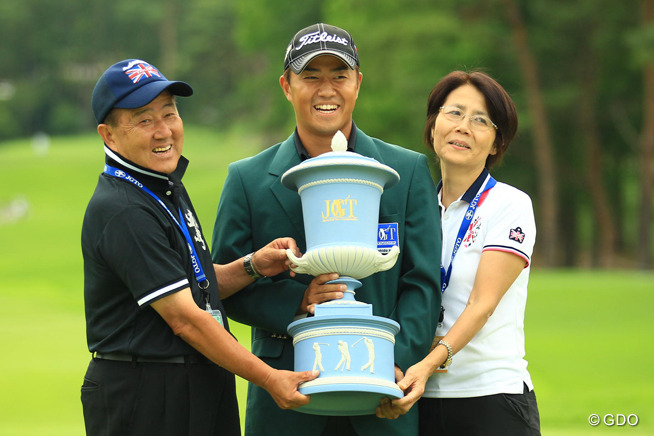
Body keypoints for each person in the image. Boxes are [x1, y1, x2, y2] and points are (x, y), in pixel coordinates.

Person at [211, 23, 441, 436]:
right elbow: (223, 287)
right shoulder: (246, 179)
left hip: (382, 399)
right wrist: (296, 302)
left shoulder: (406, 172)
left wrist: (398, 363)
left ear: (358, 83)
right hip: (287, 402)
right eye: (311, 76)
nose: (326, 89)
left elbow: (422, 283)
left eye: (339, 75)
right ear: (286, 85)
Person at [81, 58, 319, 436]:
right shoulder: (123, 208)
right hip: (146, 390)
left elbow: (196, 286)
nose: (164, 132)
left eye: (169, 114)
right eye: (144, 120)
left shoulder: (162, 185)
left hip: (195, 382)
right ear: (108, 135)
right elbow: (185, 319)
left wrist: (253, 265)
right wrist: (271, 378)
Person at [375, 70, 541, 436]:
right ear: (433, 126)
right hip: (421, 399)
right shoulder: (415, 211)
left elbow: (482, 303)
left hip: (491, 399)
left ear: (497, 143)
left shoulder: (509, 205)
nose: (463, 127)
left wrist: (425, 364)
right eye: (453, 113)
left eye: (480, 120)